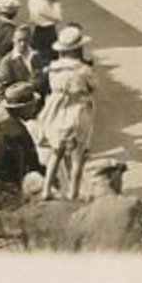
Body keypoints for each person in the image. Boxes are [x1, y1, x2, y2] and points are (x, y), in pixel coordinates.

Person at [38, 24, 97, 200]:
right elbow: (92, 87)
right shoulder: (82, 69)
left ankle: (46, 189)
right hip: (77, 109)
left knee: (57, 152)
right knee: (78, 154)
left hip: (57, 111)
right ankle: (73, 191)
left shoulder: (53, 68)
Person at [0, 82, 46, 192]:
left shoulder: (1, 126)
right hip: (10, 183)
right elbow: (29, 163)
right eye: (33, 105)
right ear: (25, 108)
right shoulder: (19, 132)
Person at [26, 0, 63, 86]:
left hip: (38, 32)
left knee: (42, 62)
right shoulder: (42, 3)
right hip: (46, 33)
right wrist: (55, 3)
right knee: (49, 62)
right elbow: (58, 17)